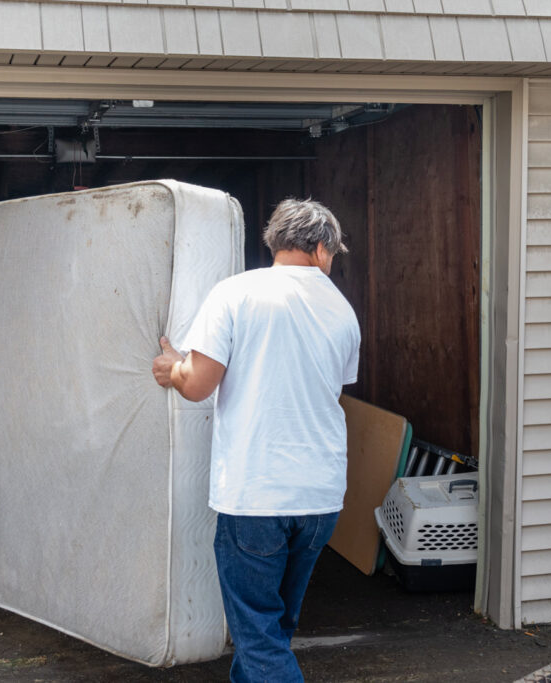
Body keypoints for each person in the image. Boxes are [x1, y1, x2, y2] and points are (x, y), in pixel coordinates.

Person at [152, 198, 360, 682]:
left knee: (259, 638)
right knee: (273, 630)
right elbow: (329, 388)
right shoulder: (343, 310)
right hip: (321, 498)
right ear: (322, 248)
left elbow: (200, 384)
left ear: (275, 242)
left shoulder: (237, 293)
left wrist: (173, 367)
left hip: (257, 494)